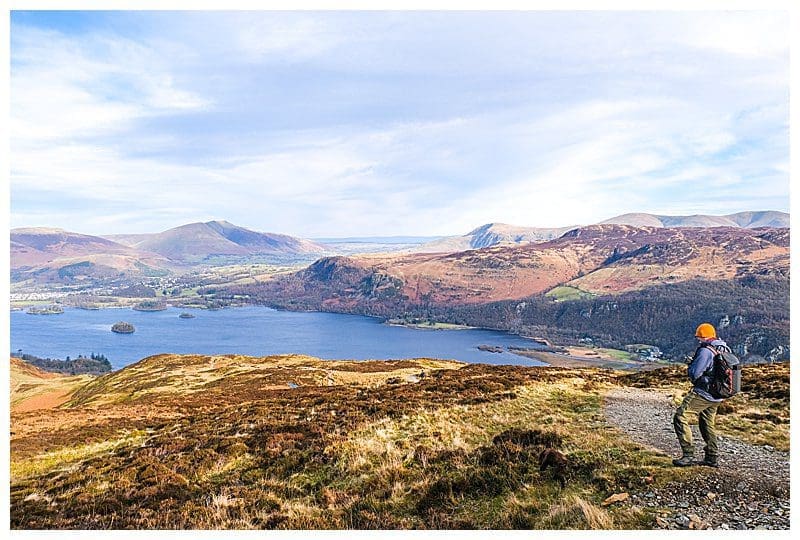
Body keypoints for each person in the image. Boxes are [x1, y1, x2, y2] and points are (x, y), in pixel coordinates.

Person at [672, 322, 727, 468]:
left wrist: (691, 366)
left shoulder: (705, 351)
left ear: (703, 336)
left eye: (699, 337)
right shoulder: (723, 347)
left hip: (704, 393)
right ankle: (711, 457)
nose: (698, 340)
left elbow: (695, 373)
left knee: (680, 416)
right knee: (707, 422)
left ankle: (688, 455)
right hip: (718, 394)